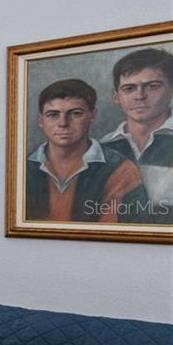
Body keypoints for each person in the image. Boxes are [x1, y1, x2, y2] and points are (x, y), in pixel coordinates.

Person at [25, 78, 148, 223]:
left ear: (92, 115)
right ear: (41, 121)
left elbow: (121, 231)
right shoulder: (23, 168)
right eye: (53, 115)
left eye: (75, 113)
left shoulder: (121, 170)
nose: (63, 123)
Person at [101, 47, 173, 225]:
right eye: (129, 88)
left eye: (153, 86)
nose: (140, 96)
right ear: (116, 97)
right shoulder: (101, 148)